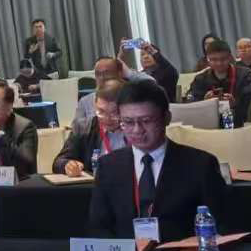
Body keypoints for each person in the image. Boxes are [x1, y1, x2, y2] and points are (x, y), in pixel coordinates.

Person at [88, 80, 232, 241]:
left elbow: (221, 225)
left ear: (166, 118)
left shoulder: (200, 165)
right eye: (128, 122)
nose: (137, 130)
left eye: (146, 121)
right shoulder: (108, 166)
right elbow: (99, 227)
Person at [52, 84, 126, 176]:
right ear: (95, 106)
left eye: (114, 113)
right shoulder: (83, 128)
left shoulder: (136, 130)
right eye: (101, 112)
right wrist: (67, 165)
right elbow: (58, 162)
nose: (107, 118)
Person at [72, 56, 154, 135]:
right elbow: (76, 128)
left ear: (120, 73)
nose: (102, 77)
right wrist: (99, 121)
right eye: (98, 74)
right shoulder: (85, 101)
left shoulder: (131, 95)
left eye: (107, 73)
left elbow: (152, 84)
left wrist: (129, 73)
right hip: (99, 142)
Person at [186, 39, 251, 115]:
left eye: (223, 59)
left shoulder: (246, 75)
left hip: (240, 118)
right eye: (214, 59)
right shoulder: (200, 79)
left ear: (230, 58)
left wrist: (235, 104)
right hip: (209, 118)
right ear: (208, 59)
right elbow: (191, 103)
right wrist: (204, 103)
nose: (219, 63)